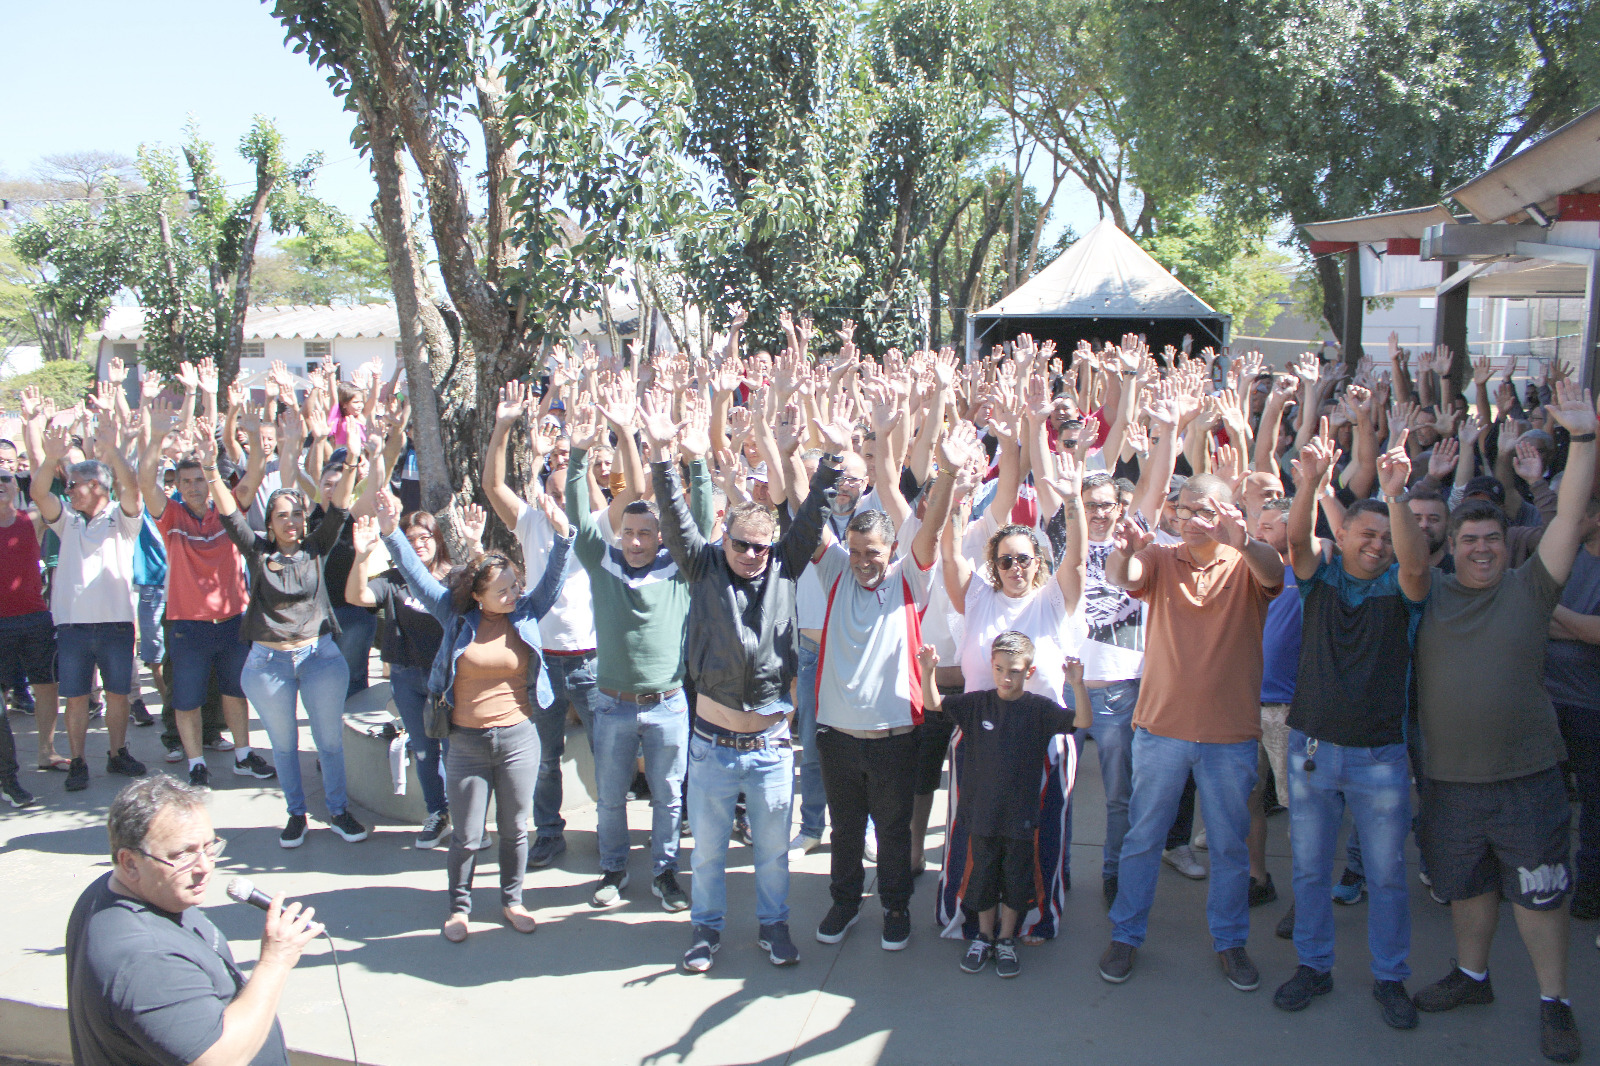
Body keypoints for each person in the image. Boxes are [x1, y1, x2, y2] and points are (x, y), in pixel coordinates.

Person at [1409, 383, 1596, 1064]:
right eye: (1469, 540)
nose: (1483, 549)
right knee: (1468, 885)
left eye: (1492, 539)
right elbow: (1400, 536)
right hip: (1450, 779)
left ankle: (1555, 1002)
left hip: (1528, 777)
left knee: (1540, 896)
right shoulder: (1425, 596)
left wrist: (1582, 441)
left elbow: (1570, 514)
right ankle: (1473, 976)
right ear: (1450, 545)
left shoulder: (1531, 586)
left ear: (1505, 544)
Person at [656, 395, 841, 973]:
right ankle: (705, 932)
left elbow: (812, 514)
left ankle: (773, 927)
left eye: (761, 546)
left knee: (771, 858)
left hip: (768, 750)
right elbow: (675, 519)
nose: (752, 555)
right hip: (711, 747)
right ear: (725, 541)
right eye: (741, 544)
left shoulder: (785, 566)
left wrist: (831, 455)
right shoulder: (703, 565)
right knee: (707, 855)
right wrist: (667, 458)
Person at [1097, 472, 1284, 992]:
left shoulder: (1246, 561)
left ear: (1227, 515)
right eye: (1182, 509)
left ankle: (1230, 943)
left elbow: (1274, 572)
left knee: (1229, 847)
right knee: (1143, 839)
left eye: (1205, 511)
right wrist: (1129, 550)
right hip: (1161, 730)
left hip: (1230, 736)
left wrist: (1243, 540)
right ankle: (1126, 936)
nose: (1191, 519)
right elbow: (1124, 574)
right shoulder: (1161, 556)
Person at [1271, 428, 1430, 1031]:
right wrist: (1308, 480)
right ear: (1341, 536)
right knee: (1310, 870)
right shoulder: (1320, 581)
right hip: (1312, 749)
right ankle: (1314, 965)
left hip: (1381, 759)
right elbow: (1294, 541)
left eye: (1387, 539)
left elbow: (1415, 563)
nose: (1378, 546)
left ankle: (1390, 976)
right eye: (1367, 535)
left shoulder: (1405, 588)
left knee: (1387, 876)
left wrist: (1395, 496)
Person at [373, 489, 571, 942]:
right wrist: (390, 530)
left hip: (519, 738)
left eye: (516, 586)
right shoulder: (454, 614)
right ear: (478, 595)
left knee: (515, 830)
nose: (514, 594)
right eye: (502, 590)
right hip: (465, 742)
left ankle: (512, 900)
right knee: (464, 835)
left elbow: (555, 577)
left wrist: (563, 536)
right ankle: (459, 908)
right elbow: (413, 574)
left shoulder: (526, 612)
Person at [807, 420, 971, 952]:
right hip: (837, 736)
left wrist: (944, 469)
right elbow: (804, 517)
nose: (861, 563)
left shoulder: (908, 575)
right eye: (854, 553)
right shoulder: (835, 571)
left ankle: (895, 909)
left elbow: (934, 525)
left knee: (896, 833)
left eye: (871, 553)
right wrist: (807, 455)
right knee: (846, 831)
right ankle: (845, 902)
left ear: (890, 549)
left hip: (896, 737)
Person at [565, 383, 710, 912]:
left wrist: (692, 463)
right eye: (628, 531)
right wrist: (579, 451)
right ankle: (612, 870)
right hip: (612, 704)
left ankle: (666, 873)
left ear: (660, 536)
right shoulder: (600, 561)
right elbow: (580, 515)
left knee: (671, 798)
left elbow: (705, 521)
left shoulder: (678, 567)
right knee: (610, 801)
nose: (635, 540)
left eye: (646, 532)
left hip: (669, 704)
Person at [66, 775, 319, 1066]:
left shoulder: (130, 890)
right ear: (130, 862)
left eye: (209, 847)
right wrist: (275, 962)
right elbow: (220, 1060)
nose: (205, 867)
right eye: (183, 855)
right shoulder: (146, 960)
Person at [206, 419, 367, 849]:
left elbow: (338, 509)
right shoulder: (256, 549)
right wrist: (209, 471)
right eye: (283, 516)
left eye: (298, 514)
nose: (293, 522)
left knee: (329, 742)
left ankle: (337, 811)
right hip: (268, 663)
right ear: (270, 522)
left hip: (320, 658)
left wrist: (351, 458)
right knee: (284, 747)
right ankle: (296, 815)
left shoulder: (318, 545)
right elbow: (226, 512)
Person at [484, 382, 604, 871]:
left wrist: (583, 450)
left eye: (567, 460)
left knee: (609, 757)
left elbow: (611, 495)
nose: (560, 464)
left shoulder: (598, 522)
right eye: (553, 460)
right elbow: (494, 486)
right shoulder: (530, 520)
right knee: (545, 759)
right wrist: (503, 426)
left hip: (595, 660)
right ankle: (549, 835)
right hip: (543, 662)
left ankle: (611, 838)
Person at [919, 634, 1088, 977]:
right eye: (998, 669)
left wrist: (1077, 684)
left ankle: (1006, 939)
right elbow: (934, 704)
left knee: (1016, 880)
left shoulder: (1040, 709)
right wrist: (927, 672)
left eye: (1013, 670)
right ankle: (983, 936)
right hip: (980, 815)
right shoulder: (976, 703)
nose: (1005, 678)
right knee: (981, 877)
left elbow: (1082, 723)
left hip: (1022, 818)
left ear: (1030, 671)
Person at [139, 402, 275, 788]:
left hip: (233, 622)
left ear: (209, 478)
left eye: (200, 479)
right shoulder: (171, 517)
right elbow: (145, 482)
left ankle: (243, 755)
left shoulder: (228, 512)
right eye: (187, 482)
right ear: (178, 487)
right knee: (187, 699)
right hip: (186, 626)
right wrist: (155, 438)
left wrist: (248, 430)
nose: (195, 487)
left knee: (235, 692)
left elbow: (254, 473)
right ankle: (196, 762)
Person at [22, 391, 147, 793]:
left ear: (97, 486)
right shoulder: (67, 521)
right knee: (74, 698)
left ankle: (117, 754)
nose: (69, 490)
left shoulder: (121, 518)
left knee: (117, 695)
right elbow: (40, 495)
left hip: (115, 624)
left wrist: (113, 453)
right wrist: (48, 455)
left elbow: (132, 491)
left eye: (76, 485)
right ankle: (78, 762)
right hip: (73, 627)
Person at [346, 507, 456, 850]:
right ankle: (437, 813)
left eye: (425, 537)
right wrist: (362, 557)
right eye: (410, 540)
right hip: (407, 677)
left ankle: (468, 818)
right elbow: (356, 596)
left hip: (449, 679)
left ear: (437, 539)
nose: (419, 544)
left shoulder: (454, 578)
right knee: (424, 752)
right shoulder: (394, 580)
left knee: (457, 751)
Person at [0, 445, 58, 805]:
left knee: (46, 687)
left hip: (35, 620)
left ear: (14, 485)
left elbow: (44, 486)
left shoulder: (32, 520)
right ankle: (8, 778)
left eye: (5, 478)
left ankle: (46, 752)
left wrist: (46, 452)